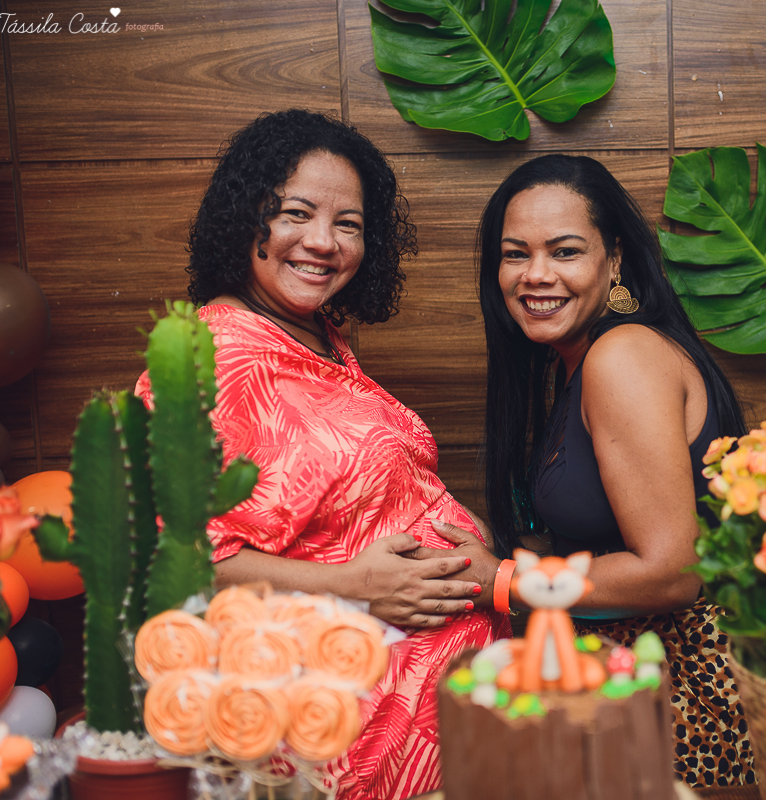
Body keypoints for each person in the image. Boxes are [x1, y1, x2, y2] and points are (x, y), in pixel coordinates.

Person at [135, 109, 506, 800]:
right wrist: (357, 586)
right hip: (355, 728)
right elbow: (174, 564)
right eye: (296, 213)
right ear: (247, 217)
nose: (323, 242)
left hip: (443, 695)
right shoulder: (204, 356)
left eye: (349, 225)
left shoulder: (316, 336)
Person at [459, 153, 756, 787]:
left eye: (564, 252)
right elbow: (598, 532)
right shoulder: (575, 362)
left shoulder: (622, 356)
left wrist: (506, 580)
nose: (535, 276)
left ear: (614, 259)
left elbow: (671, 570)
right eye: (515, 255)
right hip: (623, 687)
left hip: (674, 705)